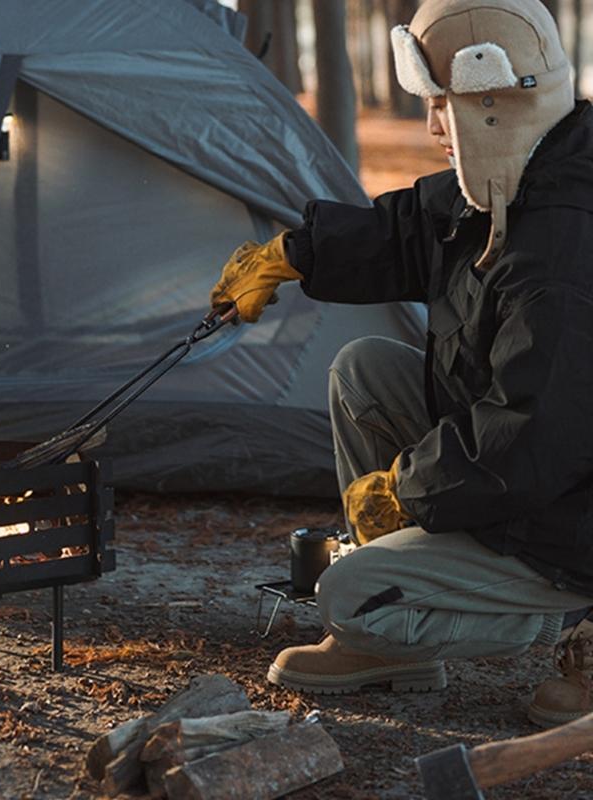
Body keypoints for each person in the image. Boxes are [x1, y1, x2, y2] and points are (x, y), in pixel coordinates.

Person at [209, 0, 593, 729]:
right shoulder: (521, 171)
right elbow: (412, 228)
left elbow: (529, 437)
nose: (430, 128)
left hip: (568, 533)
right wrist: (294, 254)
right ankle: (395, 648)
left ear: (492, 99)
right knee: (365, 373)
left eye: (442, 107)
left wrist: (406, 490)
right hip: (526, 494)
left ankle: (572, 622)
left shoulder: (563, 254)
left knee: (346, 594)